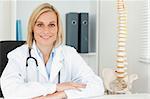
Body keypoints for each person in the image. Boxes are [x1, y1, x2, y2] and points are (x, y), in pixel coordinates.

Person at [0, 3, 104, 99]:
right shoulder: (18, 55)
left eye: (51, 25)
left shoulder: (69, 53)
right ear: (32, 28)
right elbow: (10, 91)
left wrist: (62, 94)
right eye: (40, 25)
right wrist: (55, 87)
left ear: (58, 28)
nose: (46, 31)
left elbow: (97, 86)